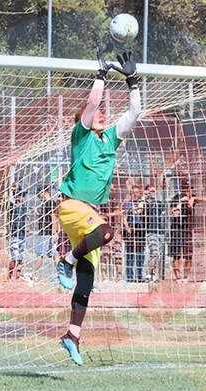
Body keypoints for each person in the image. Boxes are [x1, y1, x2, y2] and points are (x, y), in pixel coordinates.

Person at [56, 48, 142, 365]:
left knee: (87, 281)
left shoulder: (111, 139)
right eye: (97, 114)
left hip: (89, 213)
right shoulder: (82, 136)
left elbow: (134, 112)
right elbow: (92, 103)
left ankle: (72, 335)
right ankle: (65, 260)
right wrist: (101, 76)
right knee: (107, 233)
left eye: (105, 113)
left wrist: (133, 80)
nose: (102, 114)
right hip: (72, 206)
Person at [168, 179, 205, 282]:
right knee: (176, 254)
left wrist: (193, 199)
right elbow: (175, 213)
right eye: (185, 188)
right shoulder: (176, 198)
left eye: (188, 188)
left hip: (187, 229)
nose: (187, 190)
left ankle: (185, 276)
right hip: (176, 228)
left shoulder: (191, 197)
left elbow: (203, 198)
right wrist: (181, 201)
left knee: (188, 254)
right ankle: (178, 277)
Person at [30, 188, 59, 283]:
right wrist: (37, 213)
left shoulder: (50, 203)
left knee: (42, 254)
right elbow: (46, 218)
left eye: (39, 193)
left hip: (48, 233)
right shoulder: (45, 204)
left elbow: (54, 218)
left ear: (44, 192)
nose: (39, 196)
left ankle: (33, 273)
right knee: (54, 254)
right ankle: (59, 274)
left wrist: (54, 234)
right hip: (46, 233)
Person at [143, 183, 167, 283]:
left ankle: (155, 275)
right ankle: (148, 274)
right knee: (155, 253)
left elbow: (164, 213)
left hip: (161, 232)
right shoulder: (144, 204)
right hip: (151, 231)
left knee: (159, 255)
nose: (153, 193)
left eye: (154, 191)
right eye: (151, 191)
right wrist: (144, 198)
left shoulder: (159, 203)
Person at [5, 185, 28, 282]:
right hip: (14, 235)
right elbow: (4, 199)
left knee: (21, 258)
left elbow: (26, 219)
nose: (23, 198)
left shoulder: (24, 208)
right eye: (21, 195)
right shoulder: (11, 206)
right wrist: (9, 189)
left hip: (23, 236)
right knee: (14, 257)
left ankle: (18, 277)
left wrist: (27, 230)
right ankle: (9, 276)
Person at [122, 184, 145, 282]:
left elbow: (141, 212)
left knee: (140, 254)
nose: (135, 194)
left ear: (140, 193)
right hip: (131, 231)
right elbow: (124, 217)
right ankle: (130, 277)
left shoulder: (143, 203)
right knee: (130, 254)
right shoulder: (127, 204)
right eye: (133, 193)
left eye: (136, 192)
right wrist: (127, 228)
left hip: (140, 231)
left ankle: (139, 276)